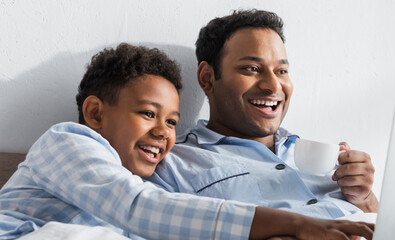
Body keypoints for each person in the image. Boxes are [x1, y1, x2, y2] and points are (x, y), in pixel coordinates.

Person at [0, 43, 374, 239]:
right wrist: (293, 224)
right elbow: (140, 208)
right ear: (96, 113)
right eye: (148, 114)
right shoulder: (67, 141)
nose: (164, 132)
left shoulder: (144, 173)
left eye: (173, 122)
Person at [152, 9, 379, 220]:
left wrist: (365, 198)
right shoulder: (171, 163)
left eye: (281, 71)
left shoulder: (320, 159)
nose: (273, 86)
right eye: (252, 68)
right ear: (207, 78)